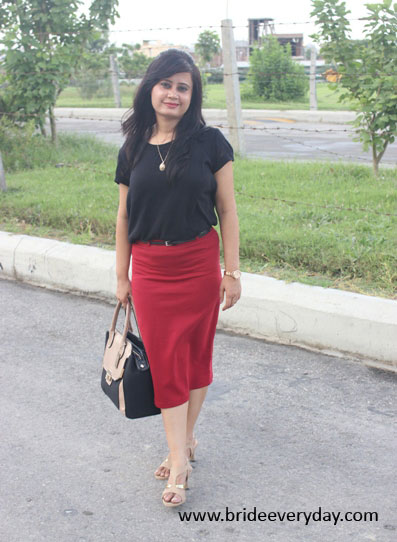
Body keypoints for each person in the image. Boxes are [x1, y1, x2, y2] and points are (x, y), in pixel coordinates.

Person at [114, 48, 241, 507]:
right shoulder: (131, 146)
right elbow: (124, 217)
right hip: (150, 271)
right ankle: (179, 456)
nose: (173, 94)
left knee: (195, 357)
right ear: (151, 88)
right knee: (167, 363)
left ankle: (184, 443)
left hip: (198, 266)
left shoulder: (210, 144)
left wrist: (232, 272)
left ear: (193, 96)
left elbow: (227, 210)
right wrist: (121, 277)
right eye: (166, 84)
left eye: (183, 87)